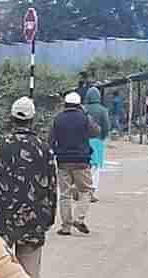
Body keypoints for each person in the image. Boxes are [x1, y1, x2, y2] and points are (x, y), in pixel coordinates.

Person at [0, 96, 57, 278]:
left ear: (11, 118)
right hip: (33, 221)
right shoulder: (44, 149)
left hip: (0, 220)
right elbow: (51, 188)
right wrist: (48, 220)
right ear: (32, 120)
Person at [50, 91, 95, 237]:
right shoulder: (84, 118)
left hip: (63, 160)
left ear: (65, 104)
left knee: (65, 194)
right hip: (82, 161)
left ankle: (66, 227)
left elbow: (50, 140)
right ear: (79, 105)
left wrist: (55, 152)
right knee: (86, 190)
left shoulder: (58, 119)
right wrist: (87, 115)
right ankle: (79, 218)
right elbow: (95, 131)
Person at [84, 86, 112, 200]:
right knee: (95, 167)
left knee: (84, 166)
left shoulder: (83, 108)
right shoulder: (102, 110)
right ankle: (91, 191)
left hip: (83, 141)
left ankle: (82, 189)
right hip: (97, 141)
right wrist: (103, 136)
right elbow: (106, 126)